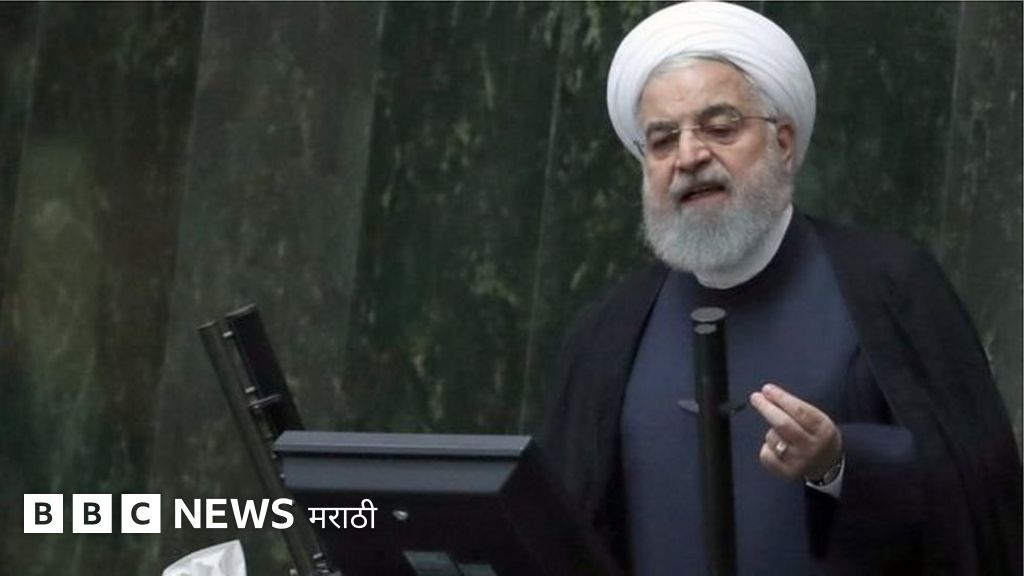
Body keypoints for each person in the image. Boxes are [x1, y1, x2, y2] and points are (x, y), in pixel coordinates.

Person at [540, 3, 1022, 575]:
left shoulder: (891, 286)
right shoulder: (606, 334)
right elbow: (558, 529)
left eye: (720, 128)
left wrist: (840, 462)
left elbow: (977, 493)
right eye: (663, 140)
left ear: (784, 142)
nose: (689, 157)